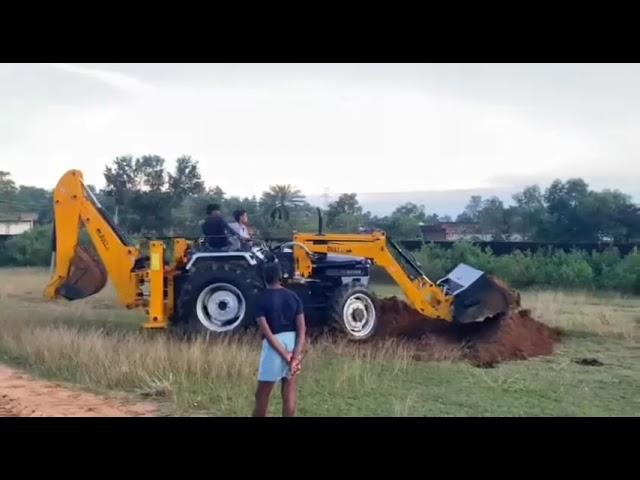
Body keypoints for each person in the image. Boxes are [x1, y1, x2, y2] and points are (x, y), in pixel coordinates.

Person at [253, 262, 306, 417]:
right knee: (289, 394)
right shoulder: (293, 297)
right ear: (280, 277)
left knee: (262, 395)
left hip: (274, 346)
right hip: (293, 342)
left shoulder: (260, 299)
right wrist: (295, 356)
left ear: (265, 278)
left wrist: (285, 355)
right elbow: (302, 328)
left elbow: (267, 333)